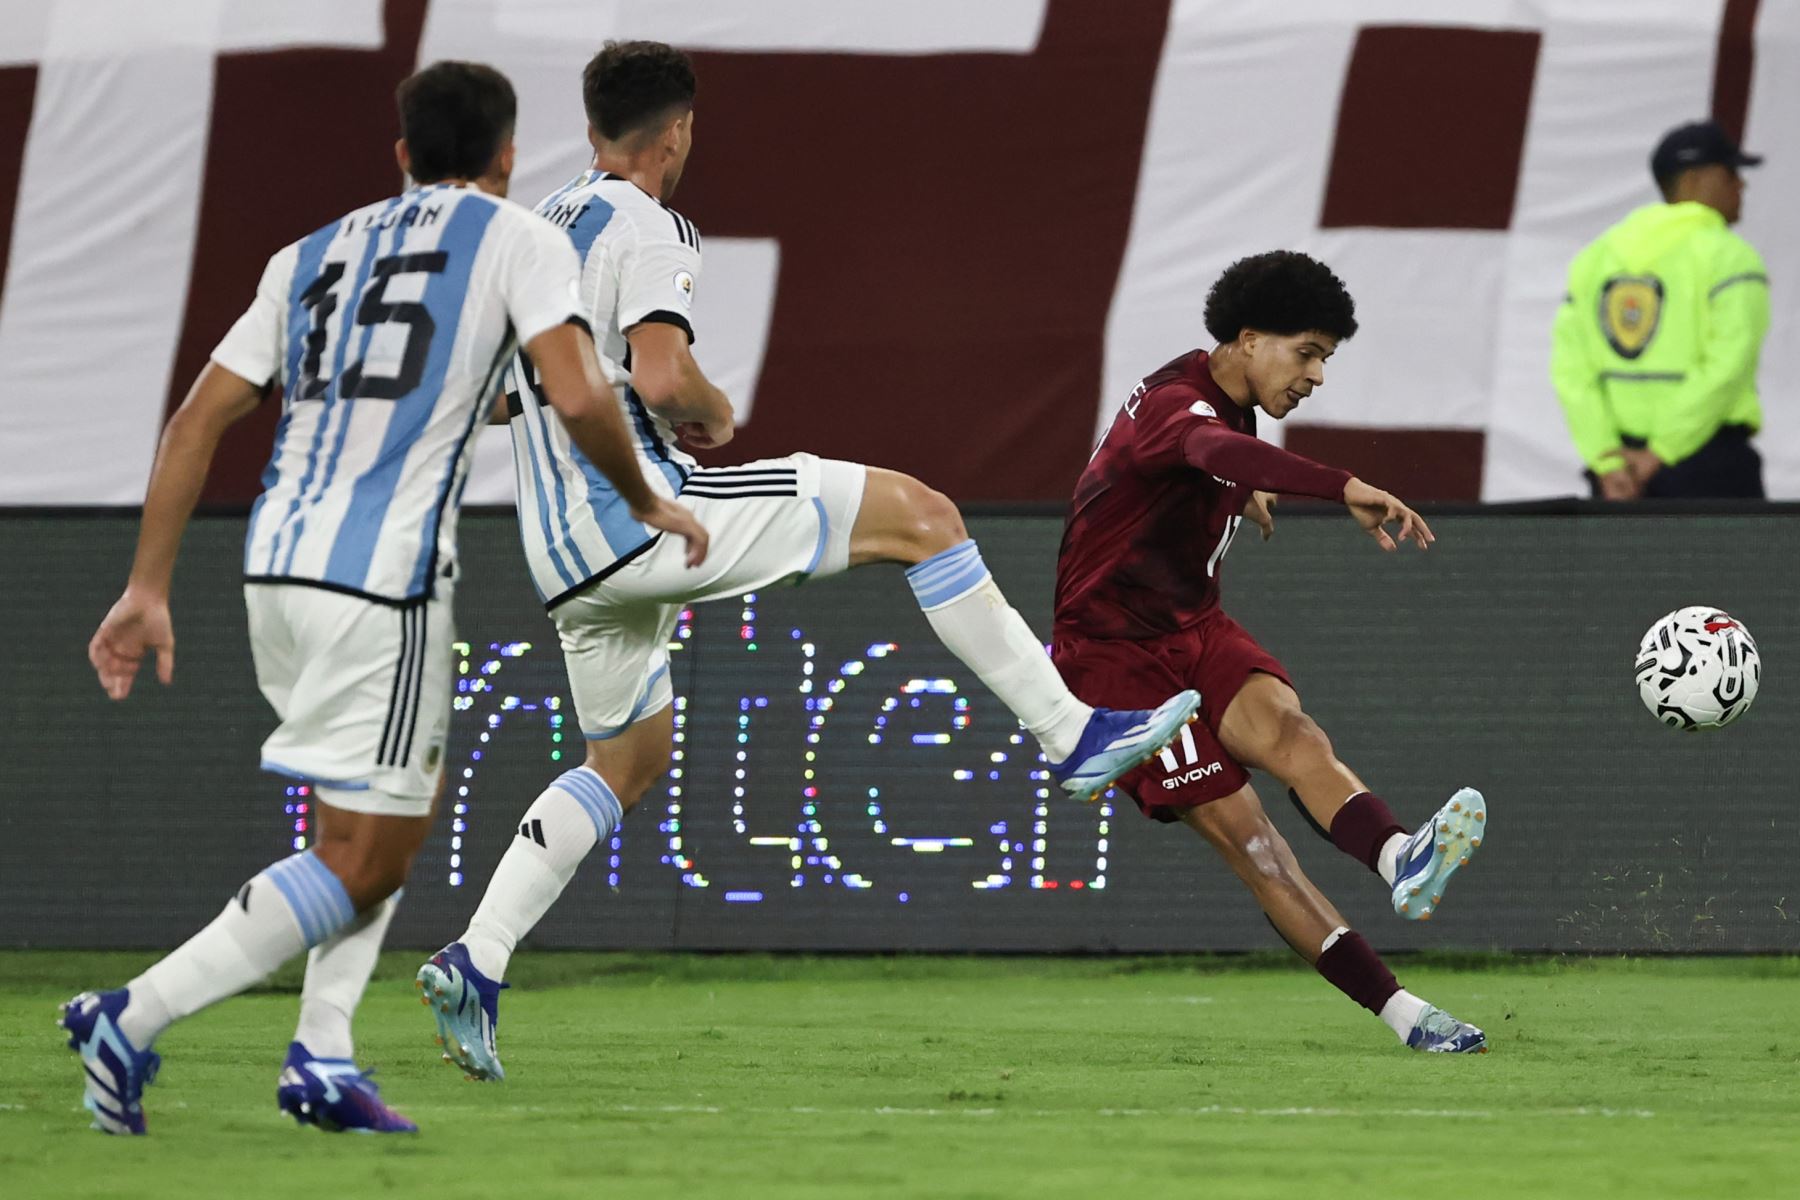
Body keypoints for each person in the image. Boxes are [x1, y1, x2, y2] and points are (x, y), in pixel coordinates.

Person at [415, 40, 1201, 1081]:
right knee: (924, 515)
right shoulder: (648, 224)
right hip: (654, 517)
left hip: (563, 555)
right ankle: (1066, 731)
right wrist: (711, 408)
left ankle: (478, 956)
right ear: (679, 131)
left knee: (627, 760)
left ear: (595, 126)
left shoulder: (539, 227)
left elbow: (506, 390)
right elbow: (660, 373)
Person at [64, 60, 706, 1136]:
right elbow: (581, 390)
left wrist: (146, 587)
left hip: (274, 563)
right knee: (377, 853)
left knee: (357, 820)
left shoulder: (308, 255)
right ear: (506, 158)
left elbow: (192, 423)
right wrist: (648, 495)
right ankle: (131, 1015)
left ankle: (321, 1053)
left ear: (401, 155)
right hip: (385, 576)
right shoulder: (517, 238)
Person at [1052, 250, 1490, 1053]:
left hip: (1193, 627)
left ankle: (1401, 858)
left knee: (1297, 736)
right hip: (1117, 660)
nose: (1318, 375)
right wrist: (1340, 483)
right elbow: (1208, 450)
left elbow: (1211, 461)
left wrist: (1233, 487)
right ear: (1249, 339)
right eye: (1308, 351)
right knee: (1259, 847)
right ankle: (1406, 1017)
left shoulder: (1225, 399)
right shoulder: (1179, 405)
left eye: (1326, 356)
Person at [1553, 119, 1769, 500]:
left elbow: (1571, 372)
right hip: (1711, 468)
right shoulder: (1730, 258)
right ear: (1692, 180)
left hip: (1620, 479)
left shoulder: (1595, 259)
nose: (1741, 185)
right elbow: (1729, 365)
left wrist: (1608, 464)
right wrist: (1661, 452)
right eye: (1730, 172)